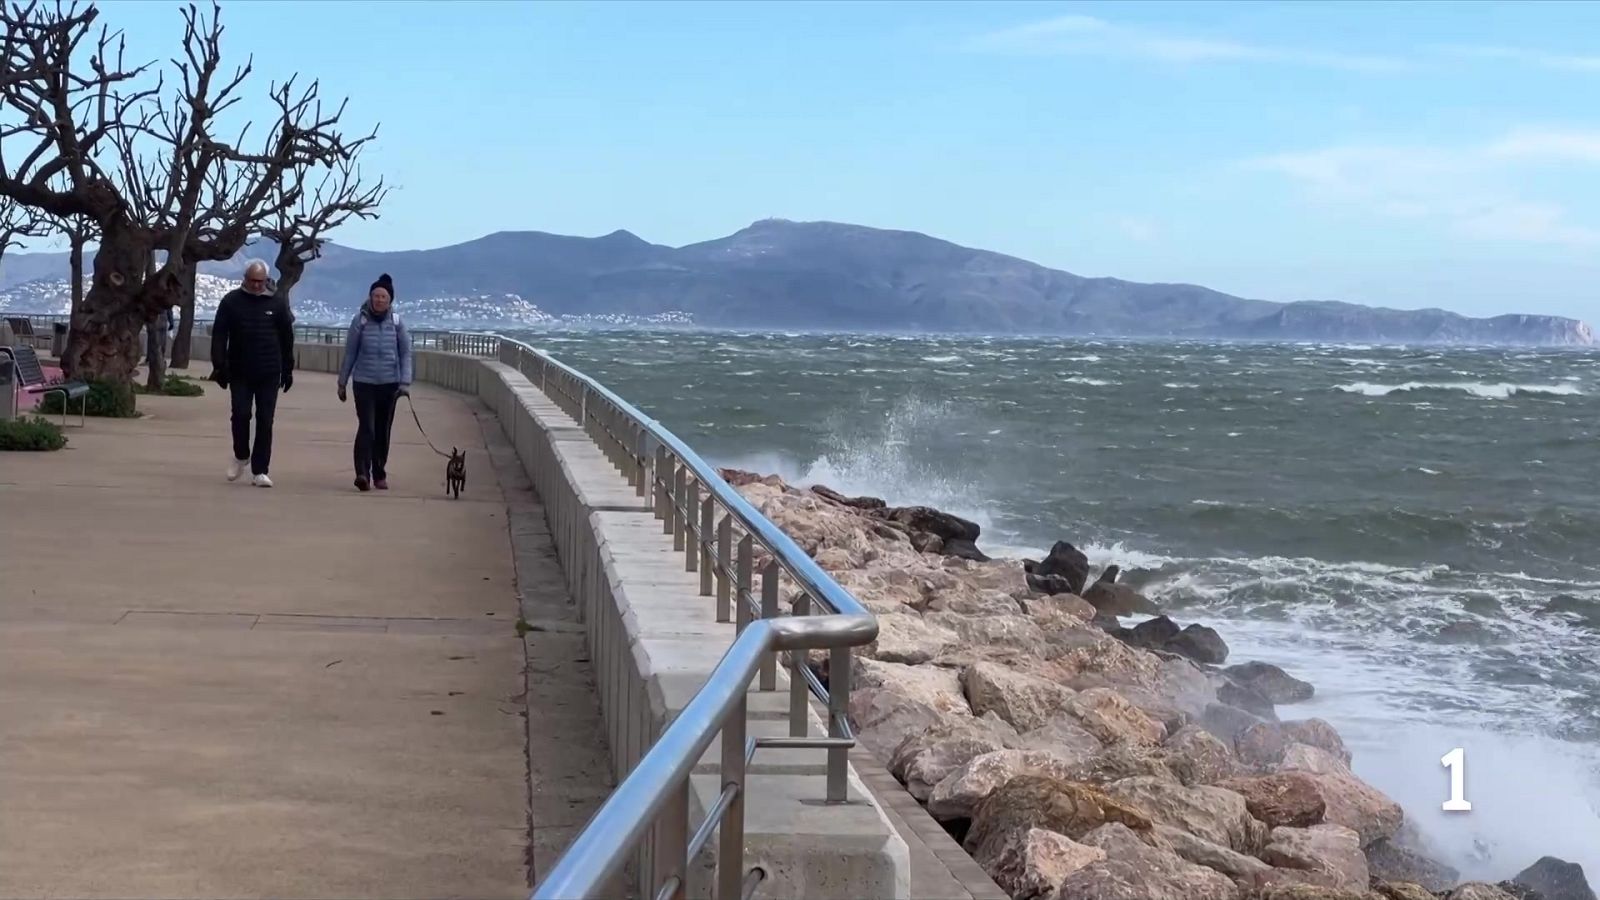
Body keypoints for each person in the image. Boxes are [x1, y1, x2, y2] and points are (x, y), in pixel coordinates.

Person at [209, 259, 294, 487]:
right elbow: (219, 335)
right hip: (239, 369)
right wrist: (219, 366)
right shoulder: (231, 302)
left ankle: (260, 470)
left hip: (269, 371)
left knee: (265, 420)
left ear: (266, 280)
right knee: (240, 414)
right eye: (252, 281)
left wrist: (288, 369)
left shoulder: (277, 303)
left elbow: (287, 337)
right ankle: (241, 455)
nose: (257, 286)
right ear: (245, 279)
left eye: (261, 281)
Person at [337, 273, 413, 492]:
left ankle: (379, 473)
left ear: (390, 301)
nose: (379, 300)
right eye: (376, 296)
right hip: (364, 383)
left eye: (383, 297)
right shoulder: (360, 320)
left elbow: (406, 353)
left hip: (390, 385)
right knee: (367, 427)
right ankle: (362, 473)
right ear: (370, 298)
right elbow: (350, 353)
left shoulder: (397, 323)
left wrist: (405, 382)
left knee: (382, 430)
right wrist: (342, 382)